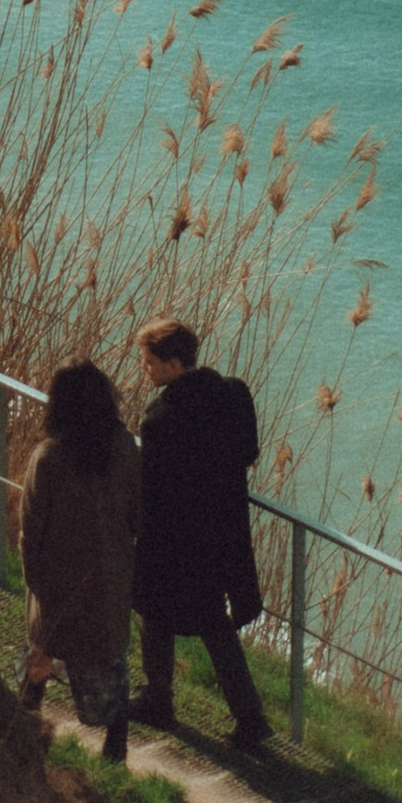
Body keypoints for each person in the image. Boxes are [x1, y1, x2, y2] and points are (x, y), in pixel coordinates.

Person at [131, 321, 269, 751]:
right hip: (224, 528)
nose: (144, 370)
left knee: (153, 611)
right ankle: (250, 719)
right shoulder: (234, 395)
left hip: (176, 536)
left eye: (150, 363)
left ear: (173, 365)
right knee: (216, 624)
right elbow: (248, 452)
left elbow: (153, 489)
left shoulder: (160, 420)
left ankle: (159, 699)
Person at [17, 359, 142, 765]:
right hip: (107, 577)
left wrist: (31, 575)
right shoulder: (125, 449)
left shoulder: (47, 458)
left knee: (42, 647)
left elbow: (31, 526)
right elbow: (139, 514)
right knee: (106, 660)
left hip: (56, 577)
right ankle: (115, 742)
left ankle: (24, 721)